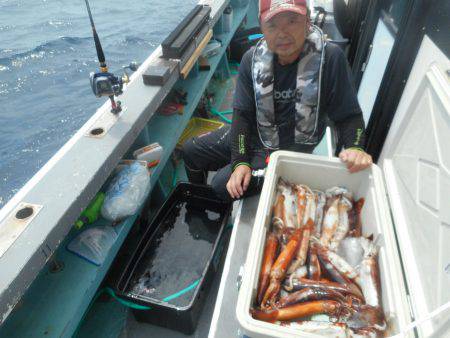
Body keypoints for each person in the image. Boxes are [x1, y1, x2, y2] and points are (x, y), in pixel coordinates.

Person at [182, 0, 372, 202]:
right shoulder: (251, 60)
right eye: (272, 25)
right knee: (191, 150)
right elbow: (242, 115)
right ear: (261, 26)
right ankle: (199, 204)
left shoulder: (331, 58)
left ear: (307, 21)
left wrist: (355, 146)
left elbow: (349, 115)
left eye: (292, 21)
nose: (282, 33)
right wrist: (240, 162)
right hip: (256, 135)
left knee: (222, 186)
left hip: (287, 151)